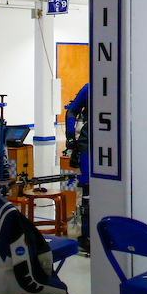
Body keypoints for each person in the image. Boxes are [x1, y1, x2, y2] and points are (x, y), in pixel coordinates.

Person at [63, 82, 91, 252]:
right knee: (86, 191)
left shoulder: (123, 87)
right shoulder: (89, 87)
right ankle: (84, 235)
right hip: (88, 145)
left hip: (114, 146)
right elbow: (72, 111)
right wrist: (70, 137)